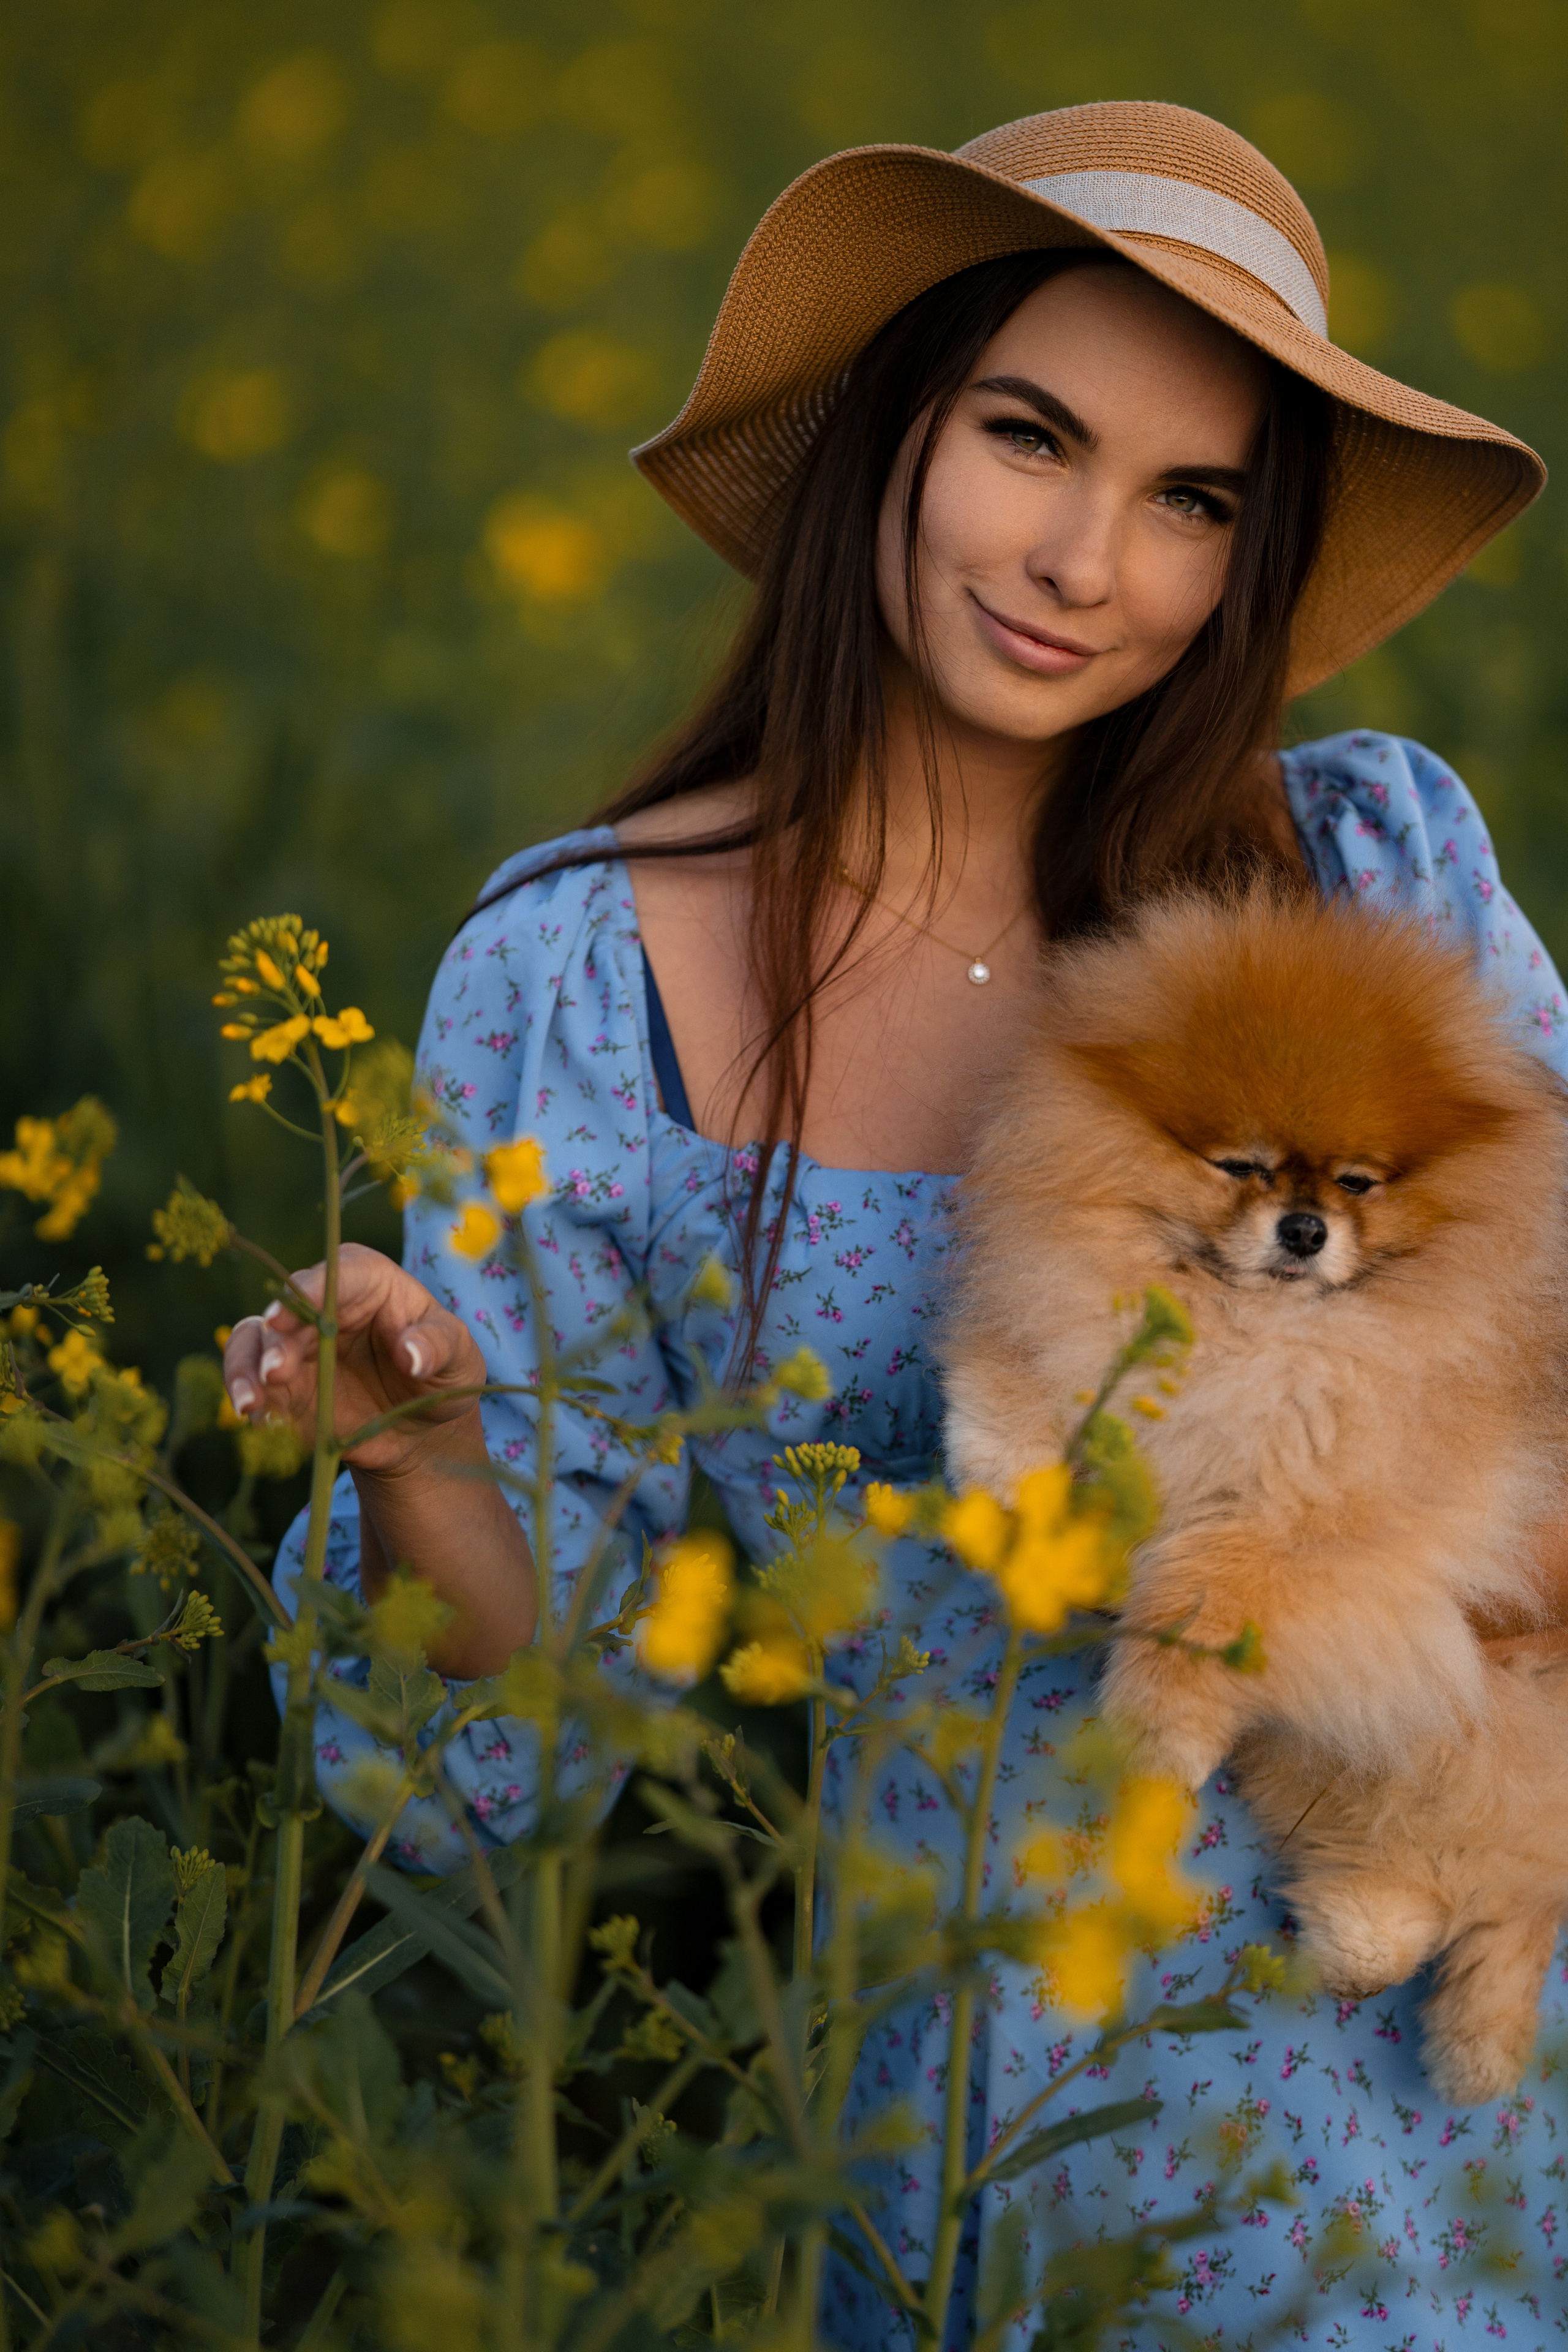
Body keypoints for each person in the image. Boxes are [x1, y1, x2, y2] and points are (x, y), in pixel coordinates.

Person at [225, 102, 1566, 2348]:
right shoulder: (589, 977)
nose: (1084, 559)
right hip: (1011, 2126)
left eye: (1192, 501)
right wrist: (419, 1459)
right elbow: (515, 1738)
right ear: (889, 436)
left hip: (1475, 2056)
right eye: (1028, 438)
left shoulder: (1363, 879)